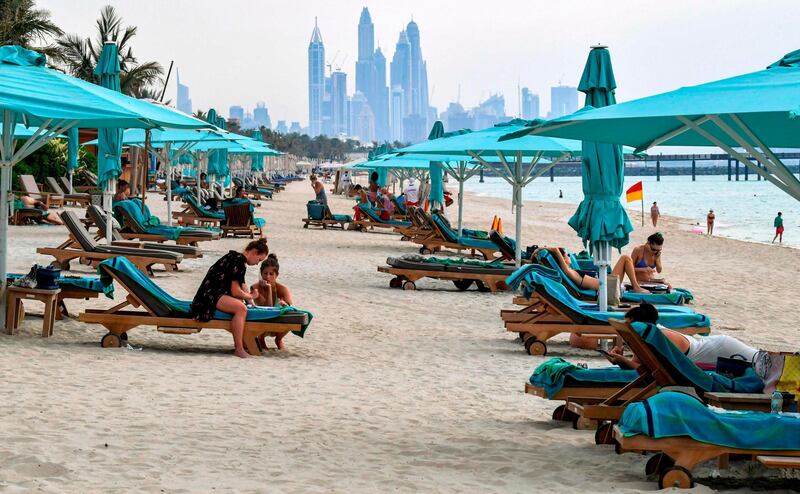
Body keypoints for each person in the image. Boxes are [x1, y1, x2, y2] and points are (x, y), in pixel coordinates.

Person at [605, 303, 759, 368]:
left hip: (722, 349)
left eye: (628, 325)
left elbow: (648, 371)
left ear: (637, 324)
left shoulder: (658, 337)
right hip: (712, 347)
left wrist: (622, 360)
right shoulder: (649, 336)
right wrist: (620, 361)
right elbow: (636, 366)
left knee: (762, 362)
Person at [190, 238, 269, 358]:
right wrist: (250, 296)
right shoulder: (238, 262)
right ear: (254, 252)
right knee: (241, 309)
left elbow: (242, 284)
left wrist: (250, 301)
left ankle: (243, 343)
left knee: (242, 304)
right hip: (209, 296)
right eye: (259, 260)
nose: (257, 263)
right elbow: (236, 291)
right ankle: (239, 348)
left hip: (210, 293)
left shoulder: (236, 258)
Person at [535, 247, 650, 294]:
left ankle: (636, 286)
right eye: (567, 256)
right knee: (625, 258)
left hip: (608, 285)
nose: (569, 257)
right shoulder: (570, 272)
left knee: (626, 258)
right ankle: (636, 286)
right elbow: (556, 250)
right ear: (563, 260)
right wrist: (550, 250)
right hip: (609, 288)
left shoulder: (571, 271)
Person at [250, 254, 294, 350]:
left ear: (276, 275)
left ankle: (278, 339)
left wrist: (284, 304)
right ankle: (261, 339)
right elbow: (268, 310)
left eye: (271, 274)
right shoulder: (255, 288)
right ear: (261, 274)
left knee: (292, 316)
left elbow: (291, 307)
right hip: (262, 321)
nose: (268, 277)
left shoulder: (282, 289)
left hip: (278, 322)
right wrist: (268, 290)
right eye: (265, 273)